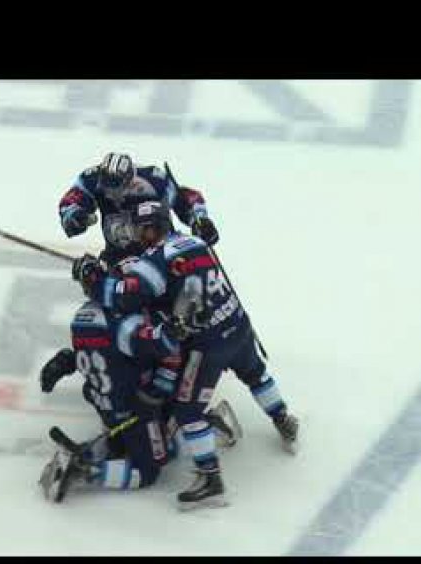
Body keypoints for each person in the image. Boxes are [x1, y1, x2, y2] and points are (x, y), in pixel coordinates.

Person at [73, 199, 299, 510]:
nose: (140, 236)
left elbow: (126, 298)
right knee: (255, 374)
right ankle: (283, 419)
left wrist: (95, 281)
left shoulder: (156, 258)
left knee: (187, 412)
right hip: (237, 323)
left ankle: (211, 480)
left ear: (157, 227)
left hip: (209, 345)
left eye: (144, 230)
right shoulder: (194, 242)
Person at [37, 297, 241, 503]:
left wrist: (67, 359)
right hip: (135, 410)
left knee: (129, 443)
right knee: (149, 470)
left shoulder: (83, 315)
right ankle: (84, 471)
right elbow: (164, 351)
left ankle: (94, 455)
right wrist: (156, 389)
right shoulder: (127, 323)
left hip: (111, 406)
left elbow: (104, 353)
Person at [58, 152, 219, 267]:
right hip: (118, 256)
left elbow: (186, 198)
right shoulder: (90, 180)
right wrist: (73, 215)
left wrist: (200, 220)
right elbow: (70, 200)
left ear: (130, 179)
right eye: (107, 186)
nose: (111, 193)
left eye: (116, 186)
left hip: (163, 253)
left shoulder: (155, 180)